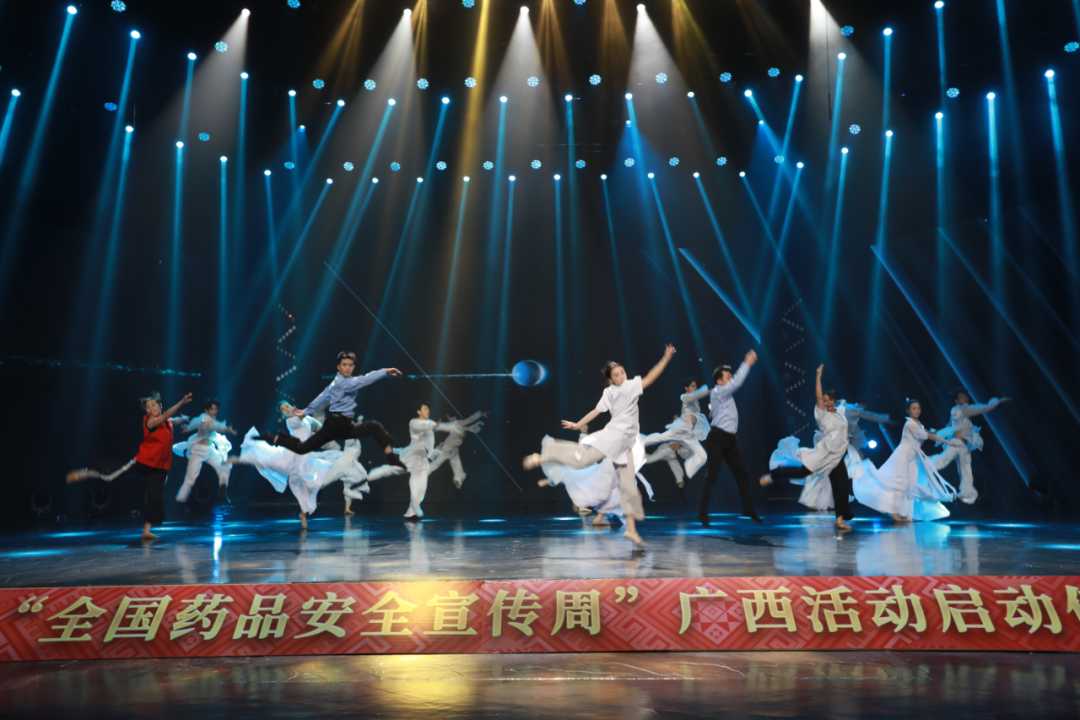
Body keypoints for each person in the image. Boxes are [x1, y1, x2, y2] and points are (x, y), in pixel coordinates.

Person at [524, 344, 677, 547]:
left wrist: (666, 358)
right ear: (611, 379)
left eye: (622, 372)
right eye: (616, 375)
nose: (621, 376)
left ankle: (631, 531)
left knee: (629, 488)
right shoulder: (610, 392)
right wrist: (577, 424)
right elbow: (596, 411)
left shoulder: (632, 385)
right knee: (582, 460)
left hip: (626, 445)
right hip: (612, 437)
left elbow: (651, 377)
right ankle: (542, 457)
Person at [234, 402, 403, 529]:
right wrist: (308, 410)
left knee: (310, 484)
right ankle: (305, 510)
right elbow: (302, 417)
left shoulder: (306, 418)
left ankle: (303, 513)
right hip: (294, 456)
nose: (287, 409)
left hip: (306, 456)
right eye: (283, 409)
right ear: (283, 414)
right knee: (300, 482)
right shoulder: (291, 421)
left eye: (287, 406)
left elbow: (319, 428)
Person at [67, 391, 193, 541]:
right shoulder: (150, 421)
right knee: (109, 477)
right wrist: (181, 403)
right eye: (148, 407)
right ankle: (88, 472)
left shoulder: (168, 422)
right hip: (144, 462)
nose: (151, 408)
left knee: (154, 498)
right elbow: (166, 415)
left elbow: (173, 419)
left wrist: (184, 418)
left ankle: (146, 531)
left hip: (161, 467)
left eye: (154, 405)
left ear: (160, 405)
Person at [759, 365, 854, 531]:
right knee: (802, 472)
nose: (826, 402)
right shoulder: (821, 413)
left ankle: (839, 520)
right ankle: (775, 474)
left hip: (837, 456)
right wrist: (818, 376)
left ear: (834, 400)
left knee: (842, 485)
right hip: (824, 453)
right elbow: (818, 396)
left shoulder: (840, 413)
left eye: (829, 400)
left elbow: (843, 430)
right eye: (824, 400)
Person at [264, 351, 401, 458]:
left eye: (350, 365)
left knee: (374, 426)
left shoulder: (336, 382)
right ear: (338, 367)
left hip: (343, 425)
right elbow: (365, 379)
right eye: (344, 365)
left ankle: (390, 453)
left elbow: (321, 397)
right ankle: (278, 439)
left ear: (353, 367)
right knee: (302, 449)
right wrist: (385, 372)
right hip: (336, 425)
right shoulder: (345, 383)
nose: (347, 368)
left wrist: (306, 411)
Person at [853, 398, 960, 522]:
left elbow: (929, 433)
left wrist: (945, 432)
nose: (917, 410)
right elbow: (928, 435)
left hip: (913, 458)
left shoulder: (919, 424)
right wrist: (947, 441)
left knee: (910, 486)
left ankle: (905, 512)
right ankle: (894, 512)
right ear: (908, 411)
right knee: (898, 484)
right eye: (914, 408)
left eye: (918, 408)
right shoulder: (910, 424)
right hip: (903, 457)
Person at [698, 350, 760, 525]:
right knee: (712, 476)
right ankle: (702, 513)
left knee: (742, 474)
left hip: (729, 440)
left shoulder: (723, 395)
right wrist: (747, 363)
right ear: (719, 381)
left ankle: (748, 508)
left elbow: (715, 412)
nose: (731, 378)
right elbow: (737, 383)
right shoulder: (719, 391)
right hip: (718, 438)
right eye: (728, 376)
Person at [931, 391, 1010, 504]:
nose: (966, 399)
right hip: (956, 443)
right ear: (957, 401)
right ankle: (924, 466)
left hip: (962, 446)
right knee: (945, 461)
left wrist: (937, 433)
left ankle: (967, 494)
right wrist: (997, 402)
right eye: (962, 397)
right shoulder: (960, 410)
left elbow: (949, 425)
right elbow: (982, 408)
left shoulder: (958, 411)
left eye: (966, 397)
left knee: (965, 470)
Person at [640, 379, 709, 488]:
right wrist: (707, 388)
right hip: (679, 431)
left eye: (695, 386)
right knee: (660, 438)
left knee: (703, 456)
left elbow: (696, 403)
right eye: (692, 386)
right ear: (686, 388)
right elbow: (696, 395)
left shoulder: (696, 403)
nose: (694, 388)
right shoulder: (686, 397)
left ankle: (688, 470)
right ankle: (639, 441)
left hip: (688, 435)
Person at [399, 403, 458, 521]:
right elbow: (424, 426)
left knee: (422, 490)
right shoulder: (414, 422)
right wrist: (436, 425)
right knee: (415, 484)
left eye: (428, 409)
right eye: (425, 409)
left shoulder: (429, 426)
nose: (428, 411)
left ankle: (411, 512)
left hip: (423, 460)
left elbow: (429, 444)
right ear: (418, 411)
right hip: (415, 456)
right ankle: (414, 508)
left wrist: (436, 452)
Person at [173, 399, 237, 503]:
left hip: (210, 450)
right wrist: (187, 426)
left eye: (216, 409)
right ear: (206, 410)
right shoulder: (201, 419)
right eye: (212, 409)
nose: (214, 411)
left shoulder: (215, 429)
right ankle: (183, 496)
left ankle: (223, 494)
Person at [428, 411, 486, 489]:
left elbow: (469, 420)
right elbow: (469, 420)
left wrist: (480, 414)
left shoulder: (456, 424)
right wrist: (480, 414)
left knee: (441, 461)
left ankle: (459, 477)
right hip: (450, 448)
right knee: (452, 458)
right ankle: (459, 477)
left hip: (449, 448)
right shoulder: (457, 425)